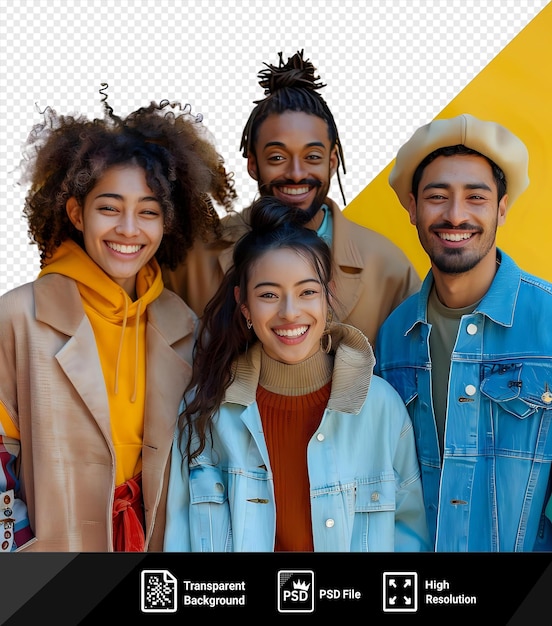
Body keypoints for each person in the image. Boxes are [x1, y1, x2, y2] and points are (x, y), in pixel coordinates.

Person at [0, 86, 237, 552]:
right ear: (76, 213)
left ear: (167, 222)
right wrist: (20, 554)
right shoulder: (17, 317)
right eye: (109, 208)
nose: (129, 229)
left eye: (147, 212)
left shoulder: (184, 325)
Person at [164, 196, 430, 552]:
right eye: (269, 295)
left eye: (306, 292)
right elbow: (180, 541)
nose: (290, 313)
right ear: (244, 304)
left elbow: (409, 536)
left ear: (327, 295)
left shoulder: (380, 406)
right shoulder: (206, 411)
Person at [374, 113, 552, 551]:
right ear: (412, 208)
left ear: (502, 208)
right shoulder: (393, 335)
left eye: (476, 197)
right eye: (438, 197)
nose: (456, 215)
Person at [163, 50, 420, 346]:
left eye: (312, 156)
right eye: (276, 157)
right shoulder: (192, 261)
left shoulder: (389, 269)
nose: (296, 173)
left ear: (332, 160)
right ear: (252, 163)